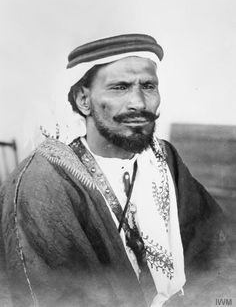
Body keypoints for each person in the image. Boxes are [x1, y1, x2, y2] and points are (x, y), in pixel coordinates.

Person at [0, 34, 228, 307]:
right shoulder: (44, 181)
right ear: (84, 100)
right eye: (120, 87)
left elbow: (213, 249)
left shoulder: (164, 157)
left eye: (148, 86)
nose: (139, 103)